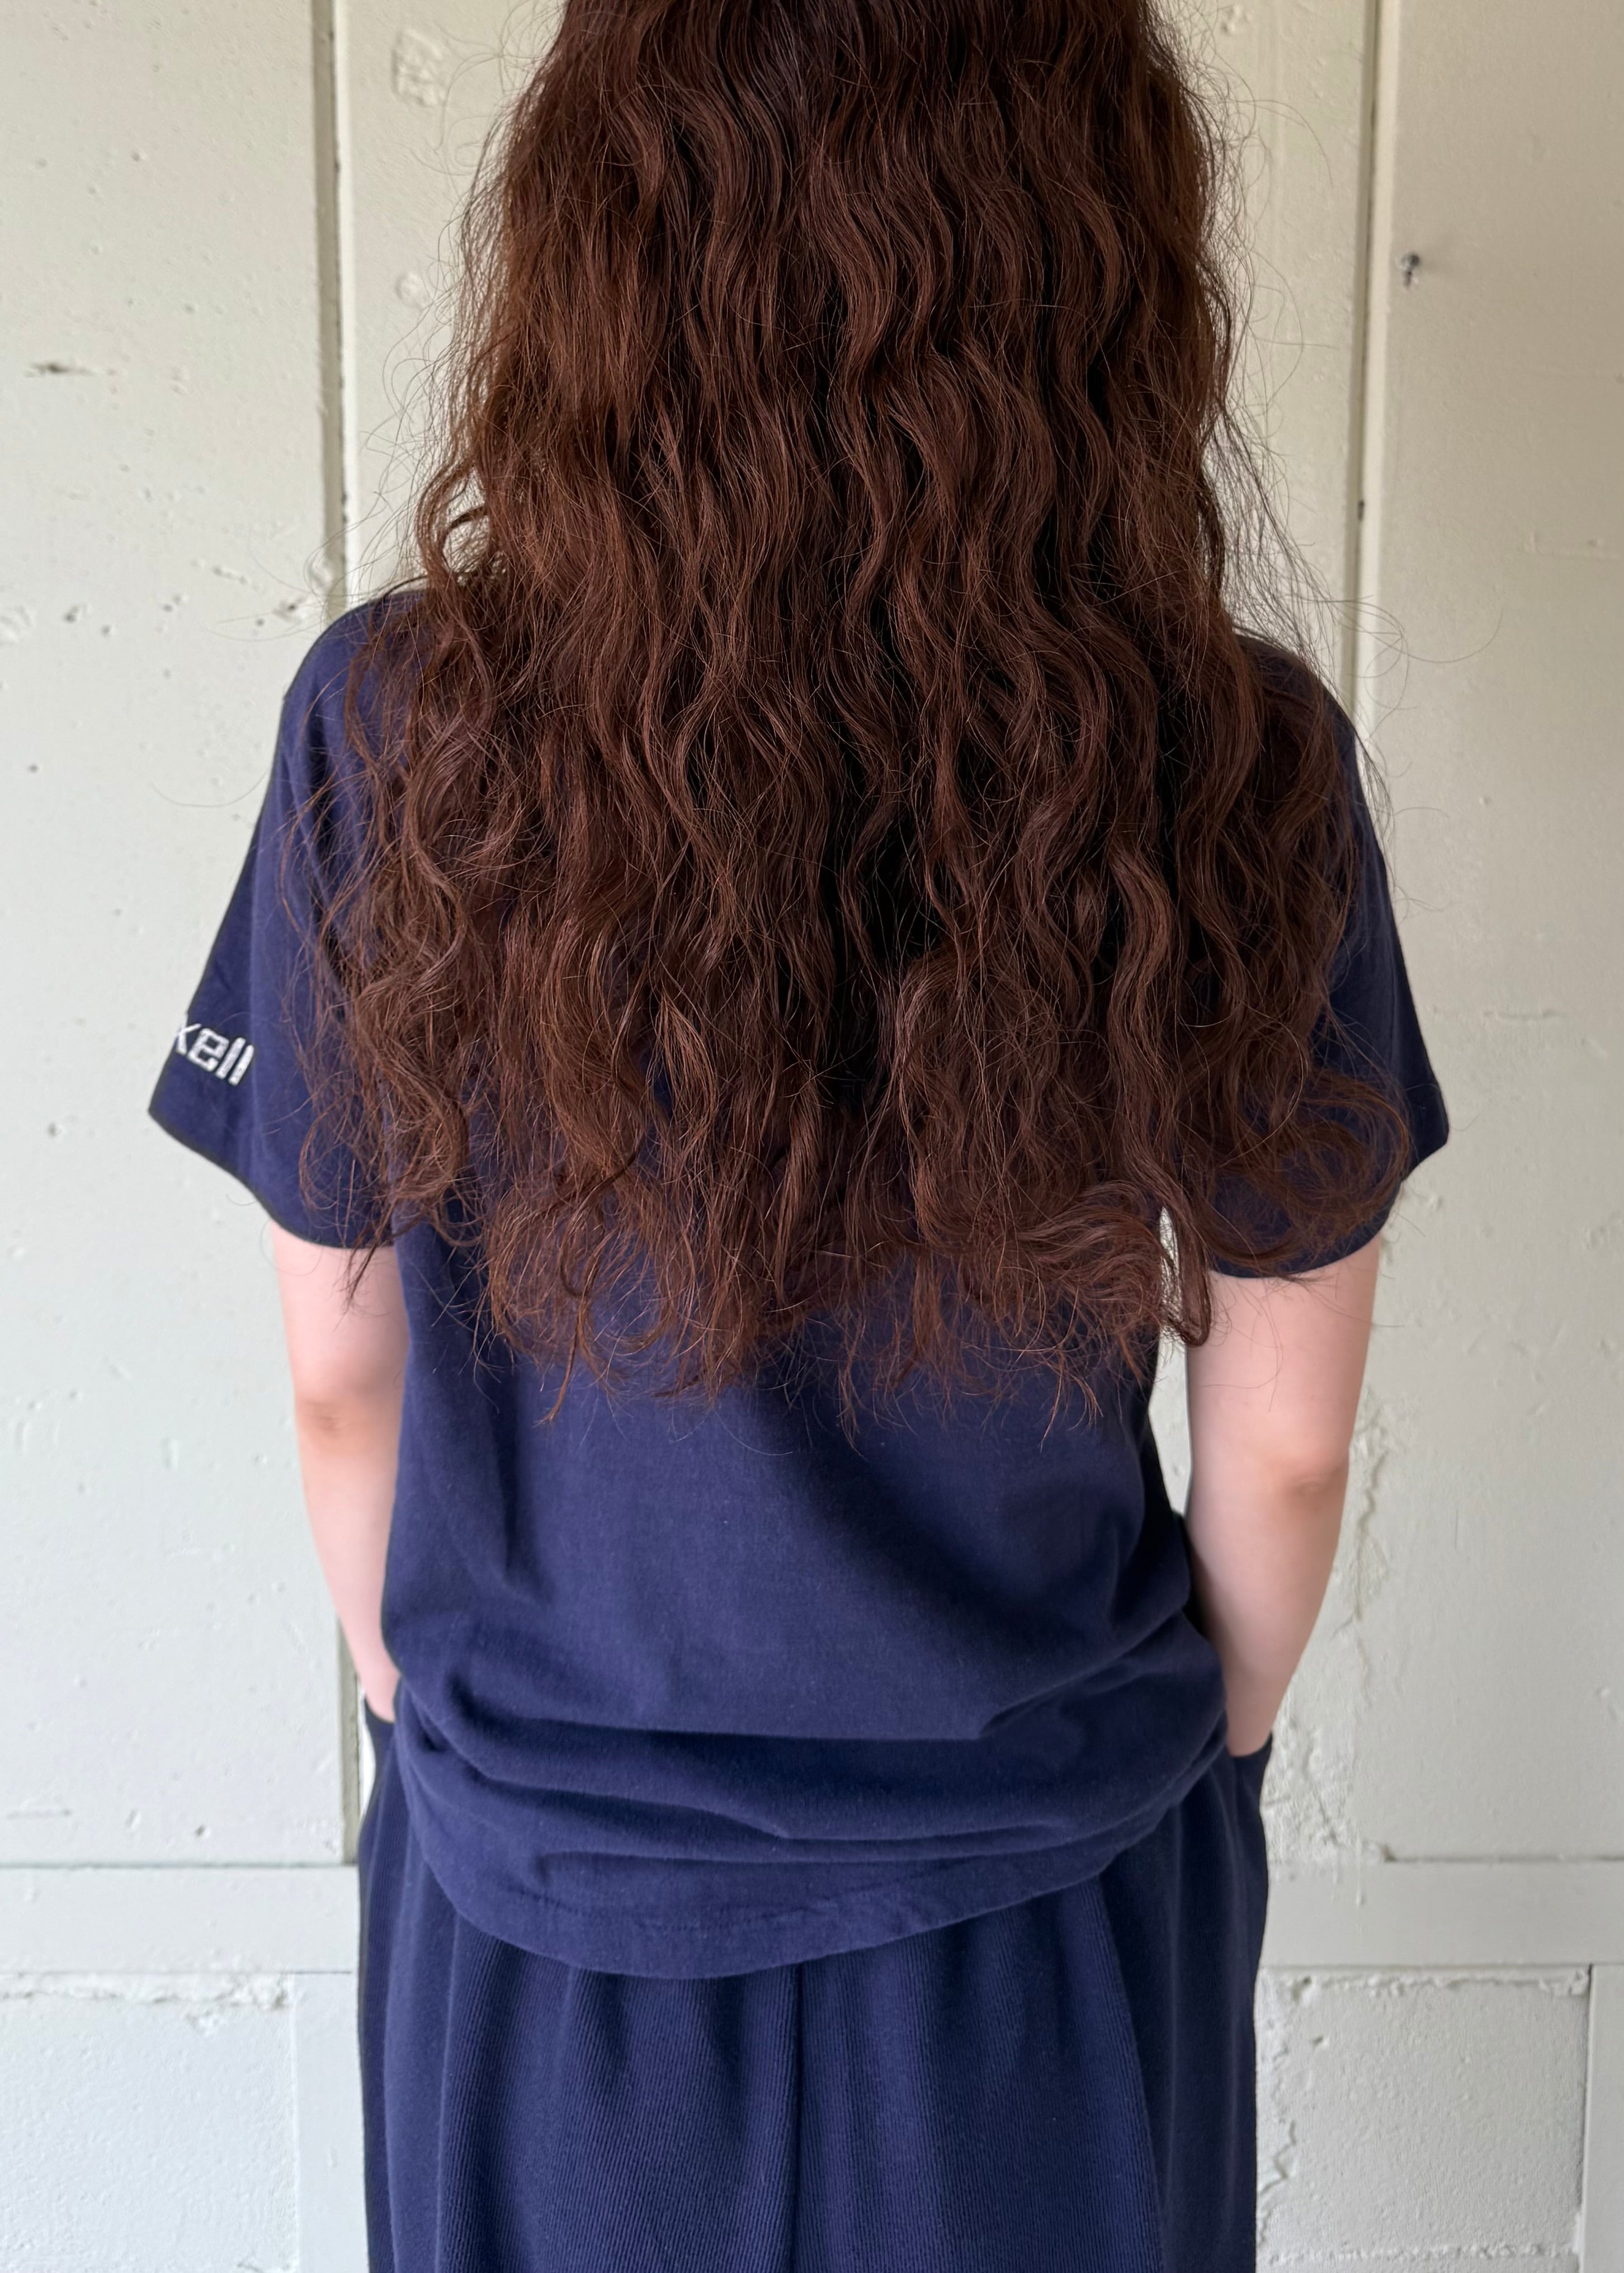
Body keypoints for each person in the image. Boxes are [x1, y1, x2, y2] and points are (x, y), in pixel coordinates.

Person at [149, 2, 1448, 2266]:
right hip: (1044, 1916)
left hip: (544, 1928)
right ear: (1093, 263)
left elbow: (343, 1377)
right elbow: (1288, 1446)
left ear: (599, 241)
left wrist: (459, 1730)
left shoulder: (399, 727)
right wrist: (1193, 1767)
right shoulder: (1232, 761)